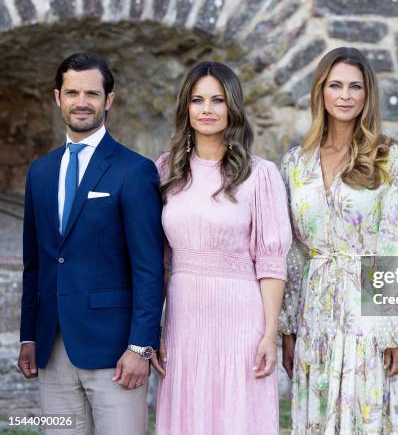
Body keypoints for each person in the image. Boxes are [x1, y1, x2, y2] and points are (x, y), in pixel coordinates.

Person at [280, 47, 398, 434]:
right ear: (320, 91)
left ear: (367, 95)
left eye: (356, 86)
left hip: (371, 312)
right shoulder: (295, 163)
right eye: (335, 85)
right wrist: (288, 328)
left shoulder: (387, 158)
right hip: (314, 310)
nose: (345, 95)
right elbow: (290, 250)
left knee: (371, 414)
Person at [17, 52, 164, 434]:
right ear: (57, 98)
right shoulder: (41, 172)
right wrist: (29, 336)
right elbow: (35, 263)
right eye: (72, 93)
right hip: (52, 348)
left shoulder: (134, 171)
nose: (82, 102)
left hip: (115, 352)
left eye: (92, 94)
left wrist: (139, 347)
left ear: (108, 100)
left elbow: (148, 267)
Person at [152, 61, 291, 434]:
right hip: (183, 318)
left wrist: (269, 333)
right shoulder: (166, 171)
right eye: (198, 100)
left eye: (217, 100)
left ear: (232, 108)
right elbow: (158, 262)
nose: (208, 109)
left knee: (237, 416)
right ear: (187, 108)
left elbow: (272, 261)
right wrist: (157, 329)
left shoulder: (259, 174)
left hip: (241, 319)